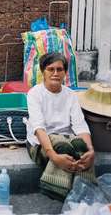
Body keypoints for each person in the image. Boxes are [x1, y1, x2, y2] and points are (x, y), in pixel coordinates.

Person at [26, 52, 95, 200]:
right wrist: (54, 157)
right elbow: (39, 129)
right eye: (51, 69)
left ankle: (84, 191)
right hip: (41, 145)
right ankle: (57, 189)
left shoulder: (71, 95)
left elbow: (80, 126)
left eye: (60, 69)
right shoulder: (34, 94)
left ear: (64, 73)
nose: (55, 73)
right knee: (63, 146)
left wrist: (90, 150)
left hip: (67, 139)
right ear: (43, 72)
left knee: (80, 148)